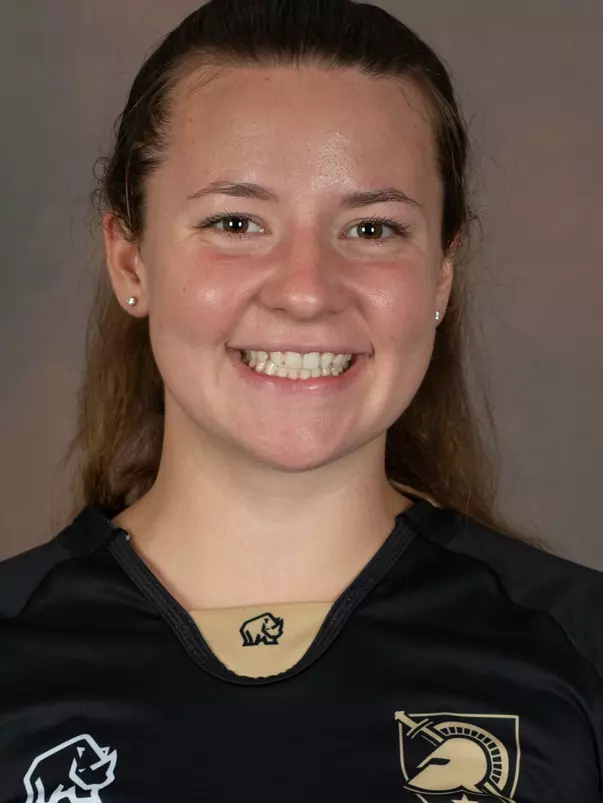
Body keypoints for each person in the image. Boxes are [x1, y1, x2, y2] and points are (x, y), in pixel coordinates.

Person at [1, 1, 601, 800]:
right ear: (130, 261)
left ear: (441, 275)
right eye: (236, 222)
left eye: (372, 230)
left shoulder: (579, 647)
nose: (307, 291)